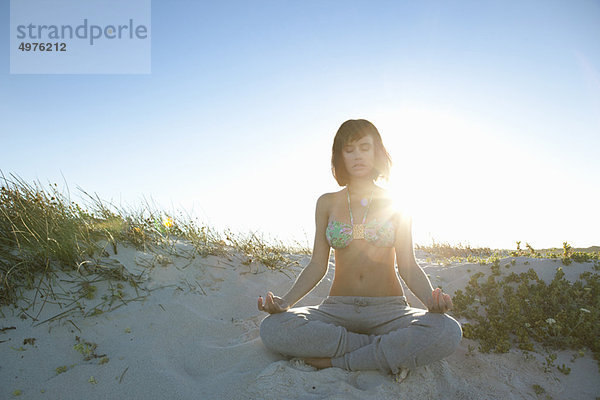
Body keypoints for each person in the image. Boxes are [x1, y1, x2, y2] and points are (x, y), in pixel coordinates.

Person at [257, 119, 462, 377]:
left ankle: (335, 362)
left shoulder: (398, 202)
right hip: (336, 310)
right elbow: (317, 265)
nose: (357, 156)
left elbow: (408, 265)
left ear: (377, 152)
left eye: (365, 147)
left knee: (448, 331)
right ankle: (378, 353)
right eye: (349, 149)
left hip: (390, 311)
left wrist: (431, 302)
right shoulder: (327, 203)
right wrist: (286, 302)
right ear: (339, 156)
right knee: (272, 328)